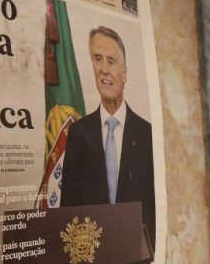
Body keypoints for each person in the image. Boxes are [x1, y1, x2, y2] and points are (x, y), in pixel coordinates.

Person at [60, 26, 156, 244]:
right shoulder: (77, 133)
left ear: (124, 74)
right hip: (91, 262)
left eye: (111, 61)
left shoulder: (147, 135)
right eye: (97, 59)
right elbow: (68, 213)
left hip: (136, 258)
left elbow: (153, 214)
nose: (103, 69)